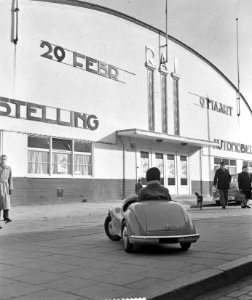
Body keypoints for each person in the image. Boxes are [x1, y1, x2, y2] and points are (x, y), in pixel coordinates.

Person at [0, 155, 14, 228]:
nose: (3, 160)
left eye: (4, 159)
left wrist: (10, 188)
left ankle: (6, 217)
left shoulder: (9, 168)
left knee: (6, 202)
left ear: (6, 160)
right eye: (2, 158)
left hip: (6, 186)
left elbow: (10, 179)